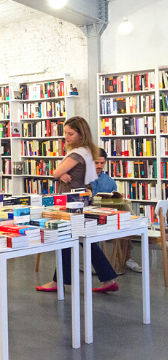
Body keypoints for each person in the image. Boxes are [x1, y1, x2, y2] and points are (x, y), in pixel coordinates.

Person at [37, 117, 119, 293]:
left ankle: (60, 281)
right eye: (65, 133)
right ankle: (106, 278)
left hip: (71, 201)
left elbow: (55, 172)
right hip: (79, 199)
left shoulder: (77, 153)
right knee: (78, 240)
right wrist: (62, 174)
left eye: (70, 133)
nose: (66, 137)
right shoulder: (88, 151)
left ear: (81, 134)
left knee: (68, 239)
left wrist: (60, 174)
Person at [89, 149, 141, 273]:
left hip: (108, 212)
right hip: (91, 213)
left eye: (102, 163)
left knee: (125, 216)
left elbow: (113, 199)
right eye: (96, 163)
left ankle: (126, 258)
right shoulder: (84, 177)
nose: (99, 166)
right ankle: (136, 224)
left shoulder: (109, 181)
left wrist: (116, 197)